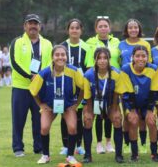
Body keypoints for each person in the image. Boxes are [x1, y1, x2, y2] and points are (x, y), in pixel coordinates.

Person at [29, 45, 84, 165]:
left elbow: (84, 88)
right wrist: (41, 105)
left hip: (68, 105)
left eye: (63, 55)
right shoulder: (44, 72)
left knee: (72, 127)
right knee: (44, 128)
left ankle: (70, 156)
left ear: (66, 56)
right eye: (57, 55)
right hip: (49, 106)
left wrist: (76, 104)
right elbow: (33, 90)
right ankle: (45, 155)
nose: (60, 57)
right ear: (52, 57)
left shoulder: (74, 71)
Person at [10, 13, 53, 157]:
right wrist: (29, 76)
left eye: (36, 23)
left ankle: (39, 147)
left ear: (40, 26)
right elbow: (14, 63)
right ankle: (18, 148)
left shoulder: (47, 44)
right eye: (30, 23)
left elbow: (49, 64)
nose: (33, 26)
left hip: (40, 88)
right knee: (18, 119)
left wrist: (40, 78)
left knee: (39, 119)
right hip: (21, 87)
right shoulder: (17, 42)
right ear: (25, 26)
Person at [120, 45, 158, 162]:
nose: (141, 59)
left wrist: (150, 110)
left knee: (150, 121)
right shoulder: (125, 69)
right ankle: (135, 154)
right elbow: (126, 93)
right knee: (133, 120)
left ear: (148, 57)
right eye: (138, 56)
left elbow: (155, 91)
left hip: (147, 103)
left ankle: (154, 152)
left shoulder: (154, 69)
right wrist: (133, 110)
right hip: (131, 102)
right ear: (132, 57)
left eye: (143, 56)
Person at [82, 47, 125, 163]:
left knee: (116, 119)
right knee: (87, 119)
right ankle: (87, 155)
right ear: (95, 60)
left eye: (105, 58)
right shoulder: (88, 74)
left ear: (109, 59)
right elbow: (87, 97)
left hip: (111, 103)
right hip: (93, 102)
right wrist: (92, 112)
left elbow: (117, 94)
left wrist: (113, 110)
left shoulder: (116, 73)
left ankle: (119, 155)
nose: (102, 60)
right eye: (99, 58)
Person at [85, 16, 120, 154]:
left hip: (112, 81)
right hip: (97, 80)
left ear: (109, 28)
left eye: (105, 26)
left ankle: (109, 141)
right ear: (96, 29)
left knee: (111, 112)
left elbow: (120, 60)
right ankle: (99, 143)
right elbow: (89, 63)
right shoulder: (90, 42)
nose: (103, 28)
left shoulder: (116, 42)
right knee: (98, 112)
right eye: (100, 26)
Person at [118, 19, 152, 154]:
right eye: (130, 27)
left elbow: (148, 63)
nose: (133, 30)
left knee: (142, 117)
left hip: (142, 83)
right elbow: (119, 62)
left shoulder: (145, 44)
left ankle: (143, 144)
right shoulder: (120, 45)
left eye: (135, 27)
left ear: (139, 29)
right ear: (126, 30)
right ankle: (127, 144)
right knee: (128, 115)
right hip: (126, 83)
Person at [60, 19, 89, 155]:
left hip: (80, 87)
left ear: (81, 30)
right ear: (68, 30)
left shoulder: (86, 47)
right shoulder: (62, 46)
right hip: (65, 85)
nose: (74, 30)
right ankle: (66, 145)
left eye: (77, 28)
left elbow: (88, 68)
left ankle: (78, 145)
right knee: (64, 115)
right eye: (72, 28)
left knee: (78, 116)